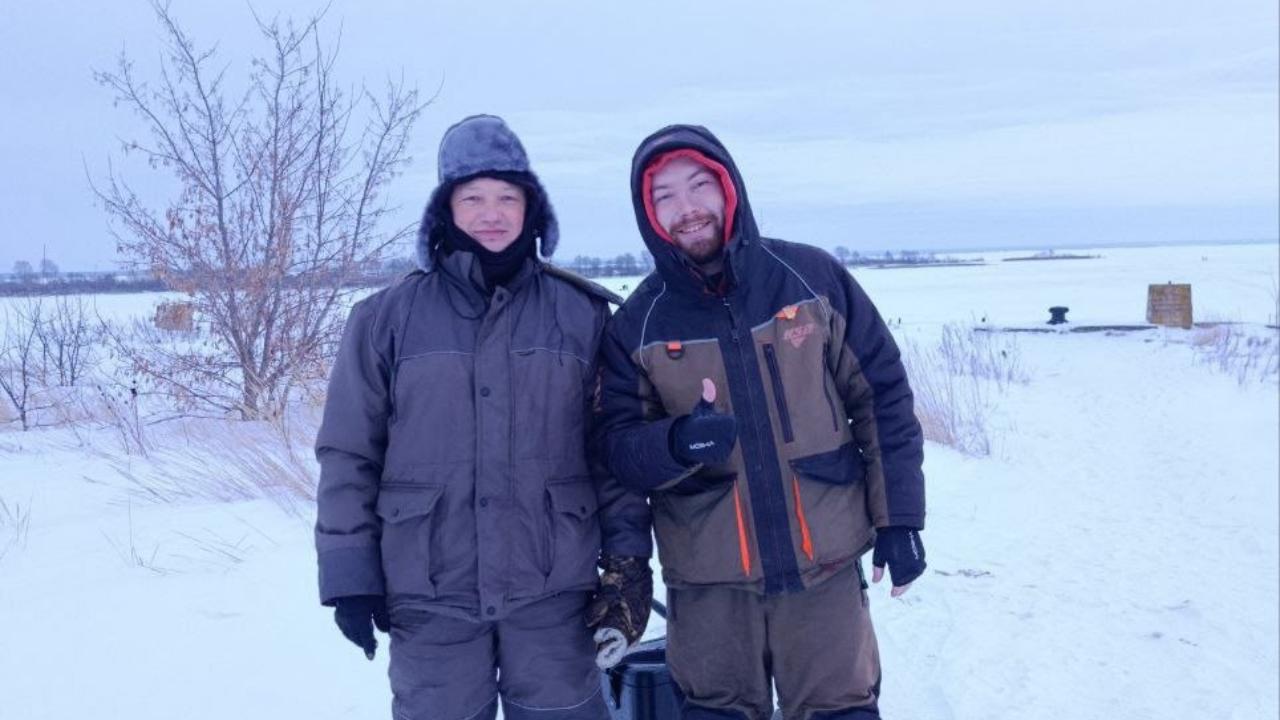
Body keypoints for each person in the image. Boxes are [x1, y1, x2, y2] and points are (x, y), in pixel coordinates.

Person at [314, 114, 653, 720]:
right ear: (444, 208)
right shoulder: (384, 319)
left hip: (554, 596)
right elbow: (349, 453)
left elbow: (610, 452)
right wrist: (350, 576)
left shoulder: (581, 315)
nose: (491, 213)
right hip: (430, 596)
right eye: (472, 198)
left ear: (532, 208)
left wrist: (627, 565)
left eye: (506, 197)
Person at [596, 124, 927, 720]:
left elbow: (881, 399)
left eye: (699, 186)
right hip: (707, 584)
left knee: (841, 711)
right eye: (664, 196)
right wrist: (676, 442)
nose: (687, 209)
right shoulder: (637, 325)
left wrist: (899, 519)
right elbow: (617, 451)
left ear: (729, 190)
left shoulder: (811, 280)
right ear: (648, 213)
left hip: (823, 569)